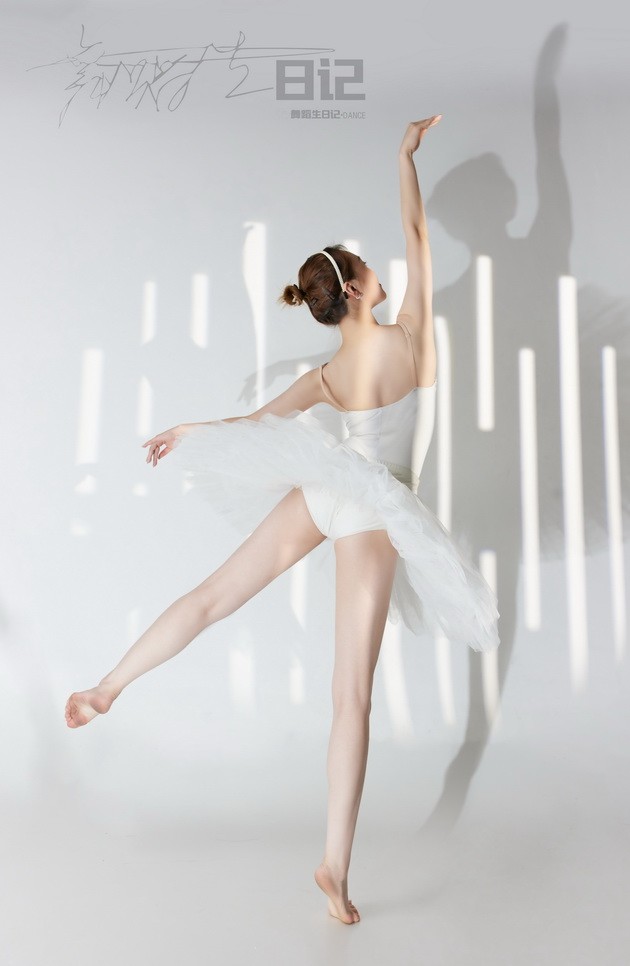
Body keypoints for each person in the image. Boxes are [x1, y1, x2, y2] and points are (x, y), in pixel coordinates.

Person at [65, 115, 500, 925]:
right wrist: (404, 155)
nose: (382, 270)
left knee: (211, 596)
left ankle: (107, 686)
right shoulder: (411, 338)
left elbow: (254, 425)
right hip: (373, 505)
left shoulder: (328, 375)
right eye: (370, 267)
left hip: (326, 487)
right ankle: (334, 867)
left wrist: (187, 430)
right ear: (360, 290)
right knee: (351, 698)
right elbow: (416, 231)